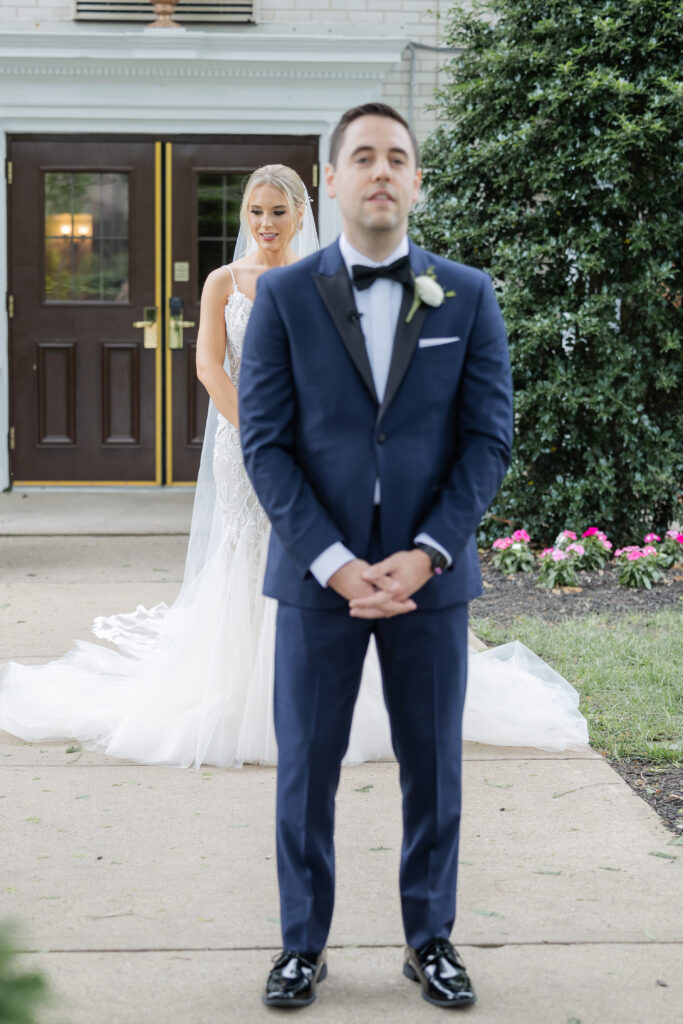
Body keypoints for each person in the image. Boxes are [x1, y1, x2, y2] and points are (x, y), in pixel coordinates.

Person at [0, 162, 587, 773]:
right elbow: (208, 368)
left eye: (278, 211)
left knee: (312, 549)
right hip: (241, 441)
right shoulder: (223, 282)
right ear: (244, 216)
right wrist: (261, 440)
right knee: (249, 547)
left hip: (316, 445)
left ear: (302, 213)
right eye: (255, 211)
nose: (266, 223)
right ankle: (245, 696)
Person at [238, 102, 513, 1010]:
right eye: (363, 156)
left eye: (399, 156)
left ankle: (429, 940)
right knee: (304, 770)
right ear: (332, 178)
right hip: (319, 583)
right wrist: (331, 560)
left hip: (429, 583)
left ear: (417, 180)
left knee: (434, 769)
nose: (382, 171)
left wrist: (429, 552)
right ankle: (299, 947)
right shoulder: (280, 297)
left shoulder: (467, 294)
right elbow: (266, 445)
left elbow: (486, 442)